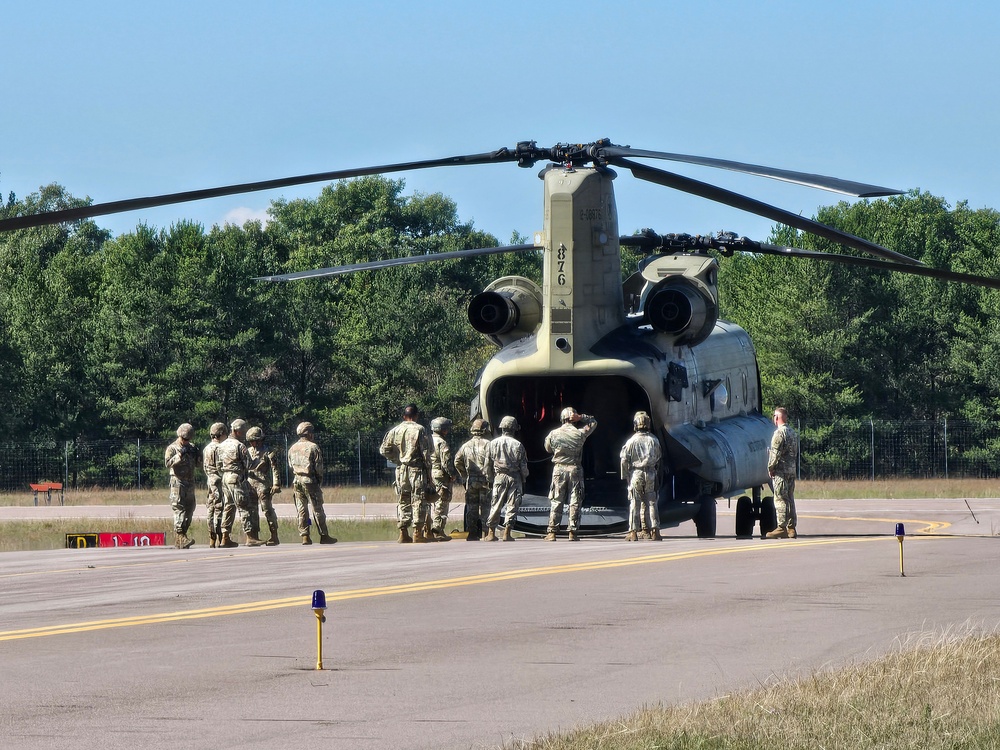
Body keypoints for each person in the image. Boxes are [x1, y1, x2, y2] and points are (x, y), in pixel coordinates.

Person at [380, 404, 433, 544]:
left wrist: (397, 459)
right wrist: (429, 472)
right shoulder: (420, 429)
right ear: (416, 416)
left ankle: (403, 532)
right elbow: (427, 453)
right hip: (417, 469)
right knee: (418, 500)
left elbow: (384, 450)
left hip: (401, 469)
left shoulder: (395, 430)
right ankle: (417, 532)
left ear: (404, 416)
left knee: (403, 499)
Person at [544, 407, 598, 542]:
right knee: (575, 501)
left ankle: (552, 532)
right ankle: (572, 532)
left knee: (557, 500)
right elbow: (594, 422)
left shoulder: (553, 434)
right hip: (575, 469)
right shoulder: (580, 433)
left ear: (562, 418)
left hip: (559, 470)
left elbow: (548, 448)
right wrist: (582, 417)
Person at [287, 422, 337, 545]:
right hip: (310, 481)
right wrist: (319, 480)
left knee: (302, 510)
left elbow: (290, 465)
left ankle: (305, 536)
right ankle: (324, 535)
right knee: (317, 509)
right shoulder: (313, 447)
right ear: (309, 433)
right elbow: (318, 467)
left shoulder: (292, 448)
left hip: (297, 481)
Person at [218, 418, 263, 548]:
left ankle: (225, 537)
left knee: (228, 506)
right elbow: (249, 464)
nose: (244, 434)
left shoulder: (221, 445)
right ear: (237, 431)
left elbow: (218, 465)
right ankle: (250, 537)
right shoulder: (239, 446)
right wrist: (258, 460)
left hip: (225, 478)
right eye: (243, 432)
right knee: (244, 506)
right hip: (236, 478)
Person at [483, 416, 528, 542]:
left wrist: (490, 479)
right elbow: (523, 467)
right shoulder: (518, 445)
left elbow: (487, 465)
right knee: (512, 505)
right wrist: (524, 478)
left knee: (495, 504)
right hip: (515, 477)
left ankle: (491, 533)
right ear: (514, 429)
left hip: (499, 477)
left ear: (502, 428)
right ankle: (507, 533)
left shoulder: (492, 444)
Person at [620, 411, 662, 542]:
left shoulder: (631, 441)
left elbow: (623, 460)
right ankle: (655, 530)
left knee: (634, 502)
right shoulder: (654, 440)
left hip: (636, 473)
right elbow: (659, 457)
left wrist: (625, 475)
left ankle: (633, 532)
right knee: (651, 502)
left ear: (635, 425)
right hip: (650, 472)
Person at [454, 419, 491, 541]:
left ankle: (472, 533)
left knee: (472, 507)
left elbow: (457, 461)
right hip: (486, 481)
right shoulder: (489, 445)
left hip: (471, 480)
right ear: (485, 430)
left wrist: (464, 475)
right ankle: (486, 533)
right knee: (486, 507)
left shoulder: (465, 446)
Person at [766, 407, 800, 539]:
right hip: (791, 470)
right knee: (790, 498)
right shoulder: (792, 433)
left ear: (777, 417)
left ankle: (781, 527)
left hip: (781, 471)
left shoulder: (779, 433)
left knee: (780, 498)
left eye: (774, 416)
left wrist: (771, 468)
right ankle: (792, 528)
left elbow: (775, 453)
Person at [165, 423, 200, 549]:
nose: (186, 441)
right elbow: (168, 463)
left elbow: (198, 464)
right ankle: (180, 536)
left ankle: (183, 535)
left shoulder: (191, 447)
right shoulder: (172, 448)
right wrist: (179, 455)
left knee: (190, 509)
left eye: (188, 439)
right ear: (179, 436)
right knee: (179, 508)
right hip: (177, 481)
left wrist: (197, 454)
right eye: (184, 439)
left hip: (189, 481)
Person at [247, 426, 281, 546]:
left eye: (255, 440)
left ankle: (274, 535)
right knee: (252, 511)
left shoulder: (268, 451)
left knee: (267, 509)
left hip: (263, 483)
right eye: (250, 441)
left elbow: (275, 468)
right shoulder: (247, 451)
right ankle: (254, 536)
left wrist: (276, 484)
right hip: (250, 483)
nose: (253, 443)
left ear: (260, 439)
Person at [427, 417, 457, 542]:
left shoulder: (426, 440)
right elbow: (446, 462)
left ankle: (427, 529)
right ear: (443, 429)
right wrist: (452, 474)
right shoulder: (442, 443)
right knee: (442, 502)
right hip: (440, 475)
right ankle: (438, 530)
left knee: (429, 501)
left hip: (429, 474)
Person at [203, 422, 228, 548]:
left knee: (210, 508)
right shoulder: (221, 448)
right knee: (219, 507)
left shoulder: (206, 448)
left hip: (210, 480)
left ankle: (211, 536)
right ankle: (219, 536)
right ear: (222, 434)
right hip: (219, 480)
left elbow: (204, 467)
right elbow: (221, 466)